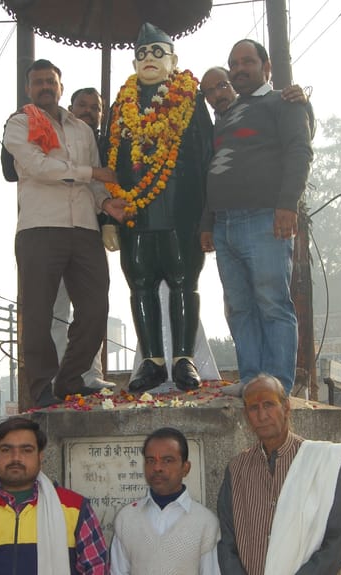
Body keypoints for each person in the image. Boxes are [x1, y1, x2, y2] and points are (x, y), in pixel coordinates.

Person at [3, 59, 126, 407]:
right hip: (40, 227)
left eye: (50, 81)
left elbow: (96, 184)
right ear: (28, 89)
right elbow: (39, 167)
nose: (45, 87)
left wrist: (107, 204)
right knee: (38, 313)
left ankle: (71, 377)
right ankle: (42, 386)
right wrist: (92, 174)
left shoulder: (82, 130)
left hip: (84, 227)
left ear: (60, 87)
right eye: (38, 82)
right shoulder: (20, 123)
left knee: (96, 307)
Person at [200, 40, 314, 397]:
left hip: (266, 218)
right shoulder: (227, 114)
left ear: (266, 67)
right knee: (238, 308)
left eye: (247, 62)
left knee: (272, 302)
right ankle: (252, 380)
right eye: (233, 64)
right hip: (225, 224)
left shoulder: (284, 101)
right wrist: (207, 223)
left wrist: (287, 204)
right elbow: (213, 169)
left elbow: (300, 149)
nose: (239, 69)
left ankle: (277, 387)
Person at [105, 23, 214, 393]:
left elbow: (206, 158)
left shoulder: (191, 100)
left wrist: (208, 215)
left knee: (184, 280)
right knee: (141, 284)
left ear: (173, 60)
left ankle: (184, 359)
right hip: (134, 215)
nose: (148, 59)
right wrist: (107, 218)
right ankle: (152, 362)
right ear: (134, 62)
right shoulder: (120, 107)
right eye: (142, 54)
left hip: (181, 212)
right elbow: (108, 161)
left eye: (157, 52)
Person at [217, 374, 341, 575]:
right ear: (246, 416)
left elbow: (337, 542)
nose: (262, 415)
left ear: (286, 407)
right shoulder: (236, 470)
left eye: (269, 404)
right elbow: (227, 543)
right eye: (254, 408)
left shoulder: (324, 462)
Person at [0, 416, 109, 574]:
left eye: (26, 450)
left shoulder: (76, 509)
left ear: (40, 456)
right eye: (6, 450)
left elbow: (97, 569)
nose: (16, 458)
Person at [51, 86, 115, 391]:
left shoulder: (103, 142)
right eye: (83, 105)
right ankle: (58, 377)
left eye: (96, 107)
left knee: (92, 309)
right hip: (50, 229)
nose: (89, 111)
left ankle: (89, 375)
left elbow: (101, 185)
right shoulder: (54, 134)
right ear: (71, 107)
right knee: (56, 310)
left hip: (89, 232)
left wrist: (108, 215)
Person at [110, 427, 220, 575]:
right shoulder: (127, 518)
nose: (157, 468)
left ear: (186, 468)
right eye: (150, 461)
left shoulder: (205, 522)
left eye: (167, 460)